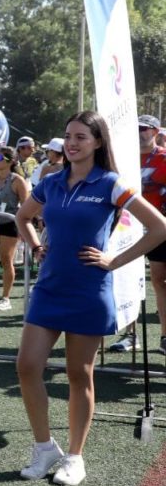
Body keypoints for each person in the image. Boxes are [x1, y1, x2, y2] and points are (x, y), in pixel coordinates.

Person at [14, 111, 166, 486]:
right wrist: (35, 245)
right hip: (49, 289)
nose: (72, 143)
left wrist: (114, 260)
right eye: (68, 136)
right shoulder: (50, 182)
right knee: (27, 366)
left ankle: (76, 457)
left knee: (78, 374)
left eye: (81, 136)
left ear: (98, 142)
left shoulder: (111, 183)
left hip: (89, 290)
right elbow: (22, 218)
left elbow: (159, 227)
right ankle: (44, 447)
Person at [110, 115, 166, 353]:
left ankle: (164, 336)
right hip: (127, 226)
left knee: (159, 280)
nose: (139, 133)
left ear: (155, 132)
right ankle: (130, 334)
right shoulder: (124, 159)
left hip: (158, 228)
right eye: (136, 129)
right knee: (127, 279)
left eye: (143, 129)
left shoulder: (163, 157)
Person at [0, 146, 30, 312]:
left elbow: (26, 206)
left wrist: (23, 229)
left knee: (6, 260)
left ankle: (5, 298)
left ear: (10, 161)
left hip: (10, 223)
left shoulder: (17, 180)